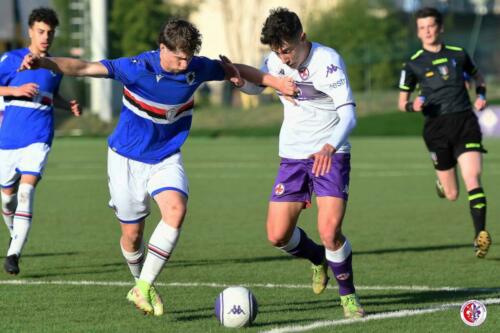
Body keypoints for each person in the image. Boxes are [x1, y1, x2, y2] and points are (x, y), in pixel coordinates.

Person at [20, 18, 295, 316]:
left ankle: (144, 286)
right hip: (126, 158)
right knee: (132, 236)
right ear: (161, 48)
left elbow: (234, 69)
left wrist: (275, 82)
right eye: (178, 56)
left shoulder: (195, 67)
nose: (184, 62)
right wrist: (45, 63)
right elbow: (84, 67)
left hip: (166, 156)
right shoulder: (136, 68)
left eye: (188, 56)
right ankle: (140, 283)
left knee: (176, 210)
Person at [230, 8, 365, 318]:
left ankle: (349, 297)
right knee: (277, 235)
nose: (284, 58)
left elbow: (349, 114)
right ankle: (319, 258)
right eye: (278, 51)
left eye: (288, 49)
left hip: (330, 153)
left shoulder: (327, 61)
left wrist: (330, 146)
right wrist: (237, 79)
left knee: (330, 230)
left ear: (302, 37)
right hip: (292, 155)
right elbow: (257, 85)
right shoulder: (276, 60)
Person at [398, 7, 491, 258]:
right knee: (452, 194)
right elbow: (402, 102)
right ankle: (442, 181)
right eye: (422, 27)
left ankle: (479, 236)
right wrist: (412, 105)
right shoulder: (413, 64)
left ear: (440, 28)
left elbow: (479, 79)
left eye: (431, 26)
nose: (427, 31)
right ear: (418, 32)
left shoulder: (459, 54)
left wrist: (481, 96)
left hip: (465, 122)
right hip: (436, 129)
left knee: (473, 177)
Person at [0, 7, 81, 275]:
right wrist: (15, 89)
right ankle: (15, 234)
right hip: (9, 139)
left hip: (39, 136)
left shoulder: (55, 67)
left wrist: (65, 104)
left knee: (26, 191)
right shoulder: (11, 59)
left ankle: (14, 254)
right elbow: (12, 87)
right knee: (7, 199)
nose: (46, 37)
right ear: (30, 32)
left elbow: (48, 95)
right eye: (41, 31)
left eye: (50, 33)